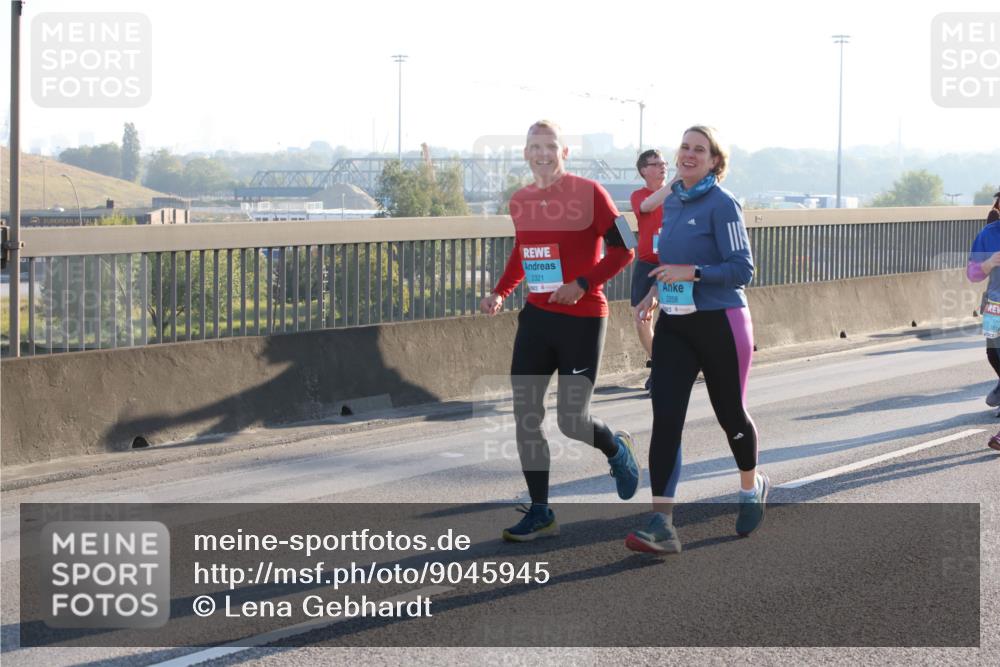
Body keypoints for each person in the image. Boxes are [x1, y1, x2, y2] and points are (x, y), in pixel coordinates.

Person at [480, 120, 640, 541]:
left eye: (550, 146)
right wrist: (500, 292)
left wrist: (583, 283)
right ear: (526, 154)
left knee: (572, 420)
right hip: (537, 318)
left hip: (583, 319)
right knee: (525, 416)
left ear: (564, 153)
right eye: (535, 146)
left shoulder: (590, 194)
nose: (543, 153)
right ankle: (541, 510)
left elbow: (626, 249)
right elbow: (523, 251)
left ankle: (615, 448)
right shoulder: (521, 200)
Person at [625, 125, 765, 553]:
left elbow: (743, 269)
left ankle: (749, 487)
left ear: (713, 161)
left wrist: (695, 273)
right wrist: (653, 291)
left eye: (698, 149)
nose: (688, 154)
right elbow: (671, 259)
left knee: (730, 414)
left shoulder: (723, 205)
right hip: (676, 322)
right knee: (666, 419)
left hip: (721, 320)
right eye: (684, 146)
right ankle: (662, 523)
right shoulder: (673, 202)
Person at [630, 149, 668, 392]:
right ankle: (661, 366)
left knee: (680, 317)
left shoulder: (680, 194)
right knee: (642, 318)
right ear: (644, 170)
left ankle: (672, 367)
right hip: (647, 263)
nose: (663, 167)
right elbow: (647, 207)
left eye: (664, 163)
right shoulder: (639, 195)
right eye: (656, 164)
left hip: (676, 262)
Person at [967, 190, 1000, 452]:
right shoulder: (988, 234)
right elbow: (973, 274)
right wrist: (988, 263)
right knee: (994, 355)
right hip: (995, 306)